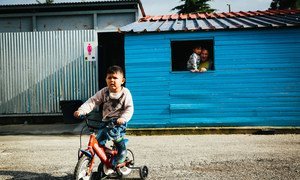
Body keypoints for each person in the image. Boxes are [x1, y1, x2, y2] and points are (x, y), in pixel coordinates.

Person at [73, 65, 134, 166]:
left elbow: (129, 108)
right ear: (106, 79)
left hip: (118, 123)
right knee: (98, 141)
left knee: (114, 133)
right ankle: (108, 155)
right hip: (106, 121)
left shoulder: (125, 93)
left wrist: (123, 118)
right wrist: (82, 110)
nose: (112, 80)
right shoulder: (104, 92)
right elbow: (92, 101)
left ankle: (122, 151)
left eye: (115, 78)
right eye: (109, 78)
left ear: (122, 80)